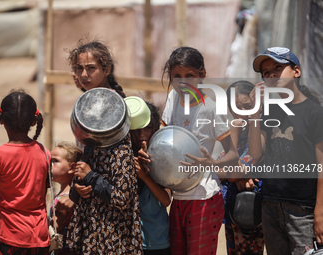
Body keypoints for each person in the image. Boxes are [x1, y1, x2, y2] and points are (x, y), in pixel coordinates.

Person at [65, 39, 142, 254]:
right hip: (93, 217)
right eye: (79, 69)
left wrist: (90, 176)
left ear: (106, 69)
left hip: (112, 226)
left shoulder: (113, 109)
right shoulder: (90, 105)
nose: (84, 75)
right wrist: (80, 185)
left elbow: (122, 193)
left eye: (91, 68)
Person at [161, 46, 239, 255]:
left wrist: (213, 163)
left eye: (190, 75)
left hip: (204, 197)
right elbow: (164, 139)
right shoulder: (172, 99)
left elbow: (233, 154)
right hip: (178, 197)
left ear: (202, 75)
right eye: (176, 76)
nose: (182, 81)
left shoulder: (212, 108)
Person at [248, 47, 323, 254]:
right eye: (266, 72)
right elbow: (255, 153)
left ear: (296, 71)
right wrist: (255, 112)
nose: (272, 75)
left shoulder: (315, 113)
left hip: (304, 211)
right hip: (271, 205)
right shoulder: (267, 112)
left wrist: (320, 212)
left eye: (278, 68)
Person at [0, 89, 50, 254]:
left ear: (1, 121)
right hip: (39, 235)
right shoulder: (44, 152)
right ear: (34, 121)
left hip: (10, 235)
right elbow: (45, 187)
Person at [220, 80, 264, 254]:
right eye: (237, 108)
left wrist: (235, 134)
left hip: (250, 212)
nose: (243, 113)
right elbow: (216, 171)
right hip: (232, 210)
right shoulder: (234, 132)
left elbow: (233, 173)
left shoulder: (260, 131)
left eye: (248, 107)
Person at [130, 101, 171, 255]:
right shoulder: (124, 158)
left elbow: (166, 200)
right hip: (130, 240)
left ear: (155, 128)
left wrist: (145, 176)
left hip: (156, 240)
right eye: (136, 130)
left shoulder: (163, 158)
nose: (142, 135)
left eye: (147, 128)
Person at [48, 141, 84, 255]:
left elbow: (55, 226)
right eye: (50, 161)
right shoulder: (68, 194)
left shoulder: (65, 198)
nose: (50, 166)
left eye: (55, 161)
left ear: (72, 167)